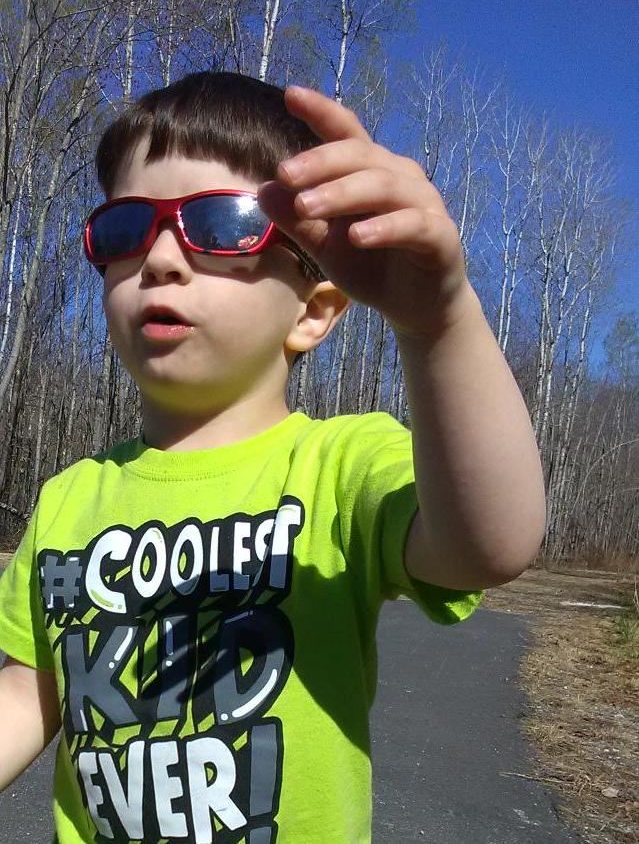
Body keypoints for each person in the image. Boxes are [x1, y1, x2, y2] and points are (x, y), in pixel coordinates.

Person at [0, 71, 546, 843]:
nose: (160, 258)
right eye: (126, 228)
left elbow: (488, 545)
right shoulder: (69, 498)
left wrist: (438, 324)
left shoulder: (339, 465)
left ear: (312, 313)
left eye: (219, 224)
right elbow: (31, 694)